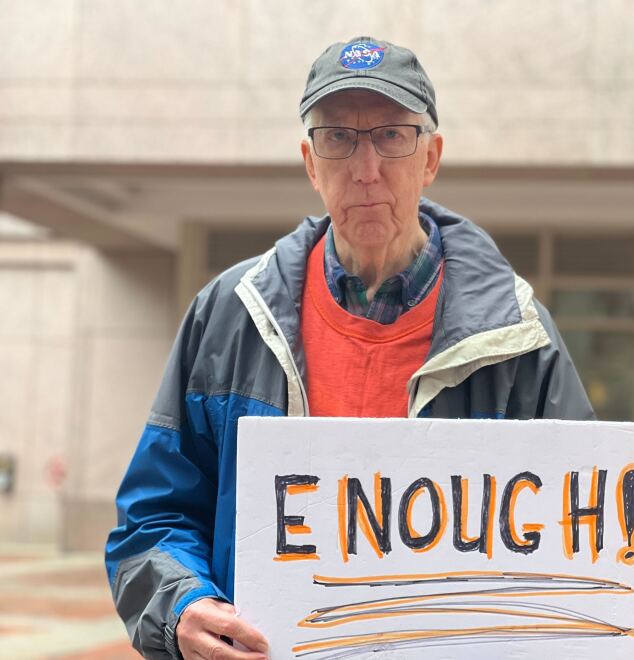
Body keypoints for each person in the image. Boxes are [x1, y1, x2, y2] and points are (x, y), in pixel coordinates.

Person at [106, 36, 595, 659]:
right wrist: (181, 605)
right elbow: (154, 518)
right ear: (311, 163)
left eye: (392, 135)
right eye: (338, 138)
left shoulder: (520, 339)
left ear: (432, 156)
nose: (365, 168)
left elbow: (578, 539)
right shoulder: (229, 316)